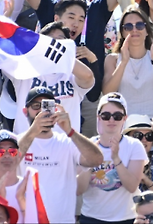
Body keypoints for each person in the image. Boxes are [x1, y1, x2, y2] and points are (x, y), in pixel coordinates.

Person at [17, 86, 104, 223]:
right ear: (25, 111)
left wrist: (70, 131)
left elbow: (97, 159)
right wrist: (33, 131)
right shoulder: (17, 141)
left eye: (47, 106)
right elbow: (9, 163)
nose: (41, 112)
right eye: (36, 106)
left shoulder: (67, 141)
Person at [9, 21, 94, 134]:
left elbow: (88, 77)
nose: (54, 44)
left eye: (59, 40)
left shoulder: (72, 76)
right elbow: (2, 49)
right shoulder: (26, 69)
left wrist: (62, 55)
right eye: (49, 40)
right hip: (29, 146)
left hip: (65, 148)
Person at [77, 92, 148, 224]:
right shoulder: (88, 145)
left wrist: (116, 158)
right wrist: (90, 163)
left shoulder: (134, 145)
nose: (111, 120)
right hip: (91, 218)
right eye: (106, 116)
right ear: (98, 117)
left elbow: (132, 186)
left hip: (126, 218)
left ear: (124, 118)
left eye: (117, 116)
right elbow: (78, 190)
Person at [103, 6, 153, 117]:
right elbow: (108, 93)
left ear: (147, 31)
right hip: (124, 124)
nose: (134, 30)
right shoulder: (112, 59)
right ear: (122, 32)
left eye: (139, 25)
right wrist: (123, 62)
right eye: (128, 27)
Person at [124, 114, 153, 196]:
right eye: (138, 136)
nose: (144, 140)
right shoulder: (118, 161)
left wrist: (145, 179)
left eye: (149, 136)